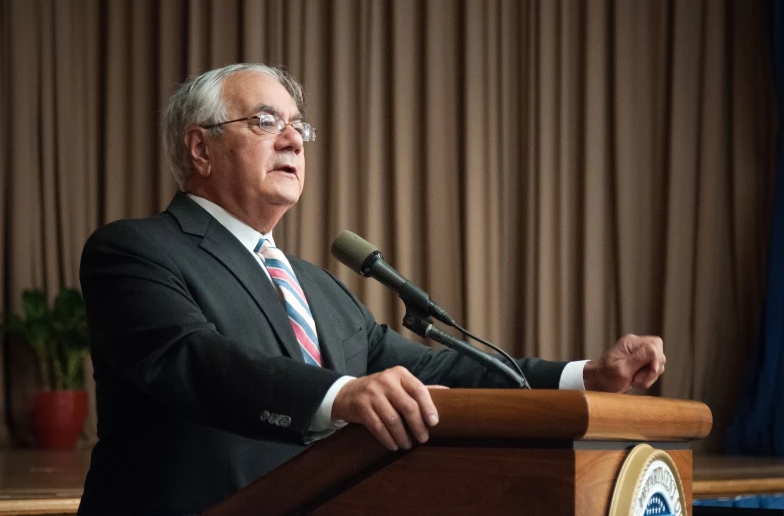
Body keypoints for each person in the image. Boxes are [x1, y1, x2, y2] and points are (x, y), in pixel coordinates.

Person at [77, 63, 665, 516]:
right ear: (200, 147)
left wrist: (586, 377)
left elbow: (445, 372)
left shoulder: (318, 289)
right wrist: (341, 396)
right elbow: (197, 362)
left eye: (298, 126)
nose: (293, 140)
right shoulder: (136, 251)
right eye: (264, 122)